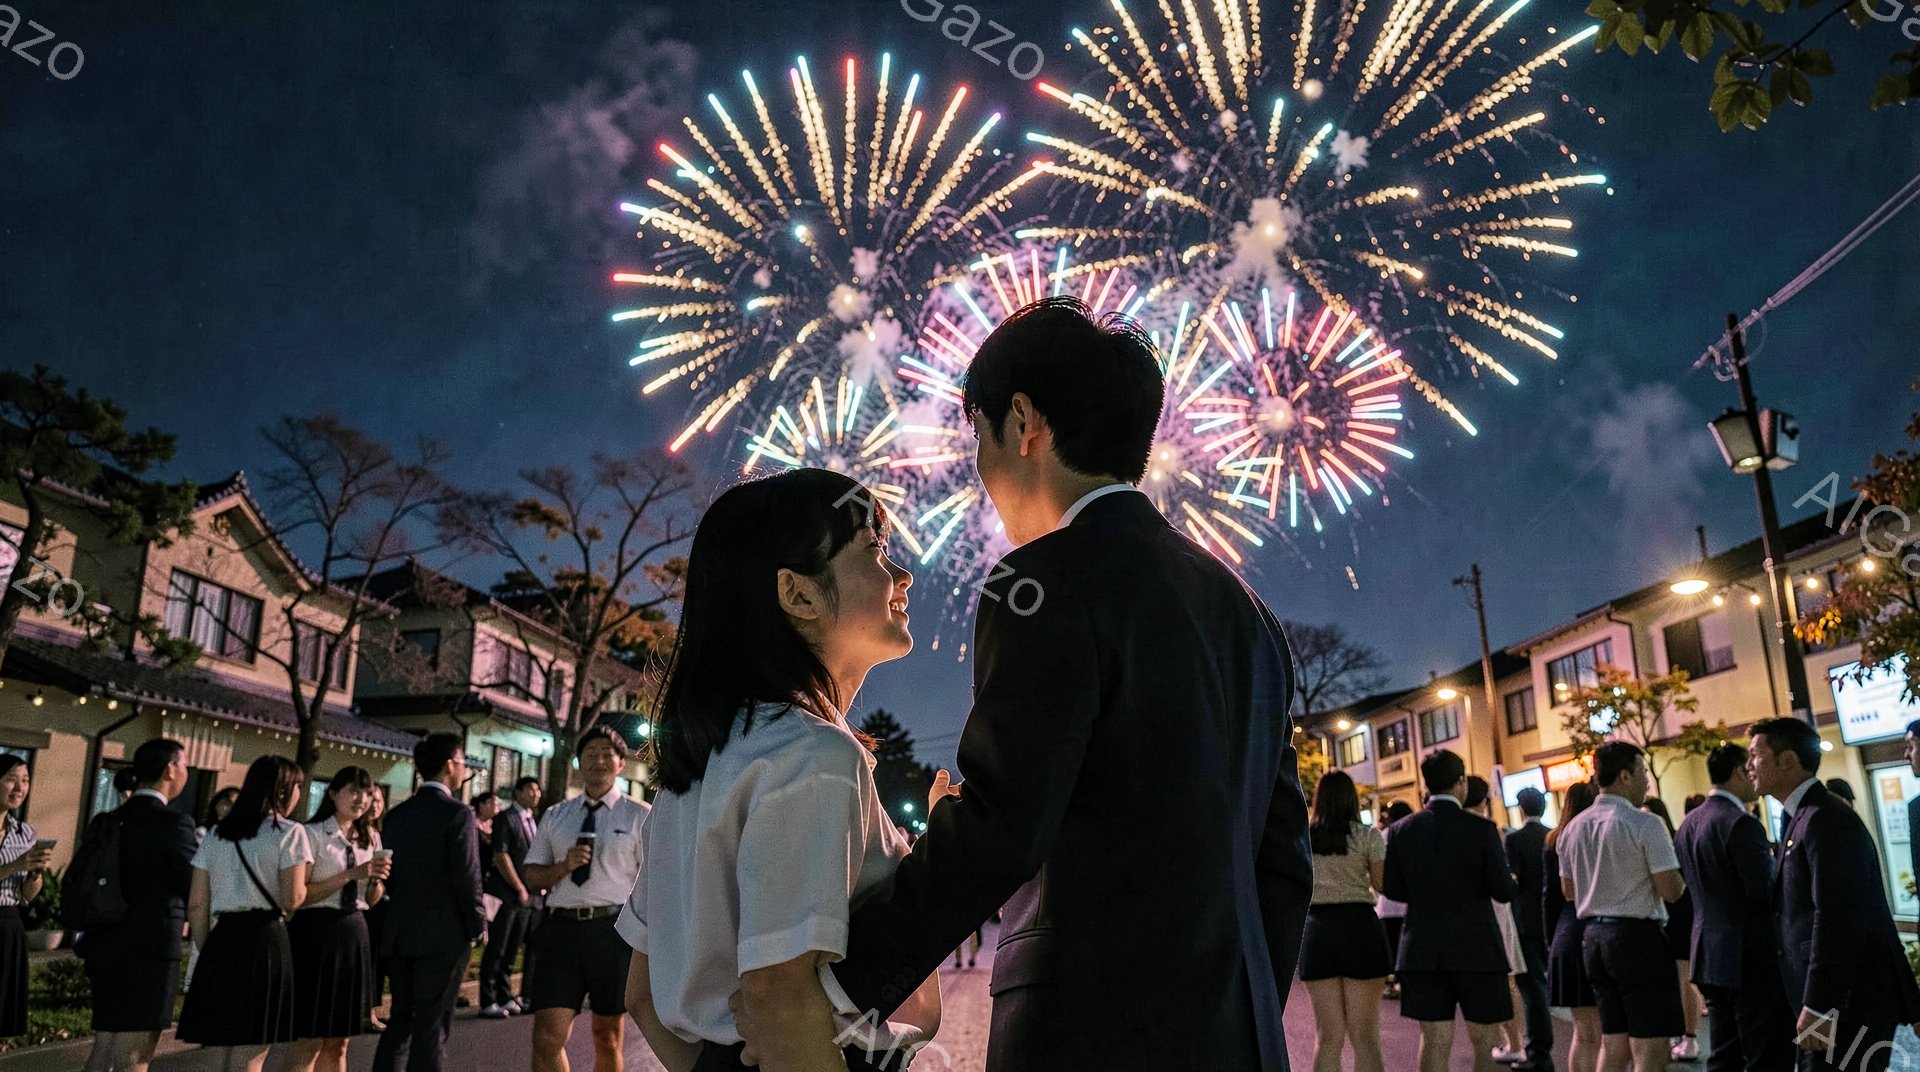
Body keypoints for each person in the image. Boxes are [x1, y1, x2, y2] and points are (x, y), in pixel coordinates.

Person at [803, 296, 1310, 1069]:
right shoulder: (1253, 616)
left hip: (1089, 1026)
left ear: (1023, 422)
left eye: (978, 435)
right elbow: (1282, 863)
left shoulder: (1040, 581)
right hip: (1239, 1037)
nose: (979, 467)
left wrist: (842, 986)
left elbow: (1004, 825)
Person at [621, 469, 938, 1071]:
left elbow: (642, 993)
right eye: (874, 552)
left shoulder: (702, 766)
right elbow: (779, 993)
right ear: (798, 594)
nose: (903, 576)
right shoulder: (814, 757)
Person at [1748, 717, 1920, 1072]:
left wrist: (1819, 1004)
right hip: (1834, 1001)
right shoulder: (1801, 816)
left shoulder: (1826, 819)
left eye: (1756, 754)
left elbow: (1838, 917)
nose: (1749, 765)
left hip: (1851, 1000)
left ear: (1788, 761)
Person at [523, 725, 648, 1072]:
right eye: (590, 753)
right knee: (547, 1037)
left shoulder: (639, 815)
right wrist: (563, 866)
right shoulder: (556, 815)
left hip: (613, 932)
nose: (598, 760)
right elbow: (532, 876)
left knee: (607, 1035)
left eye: (607, 753)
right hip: (560, 931)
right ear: (579, 762)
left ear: (621, 763)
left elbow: (652, 881)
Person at [1382, 749, 1515, 1072]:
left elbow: (1394, 890)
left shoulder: (1402, 830)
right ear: (1460, 783)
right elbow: (1502, 891)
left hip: (1422, 947)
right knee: (1484, 1039)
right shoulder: (1481, 830)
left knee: (1435, 1040)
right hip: (1478, 947)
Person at [1555, 742, 1684, 1072]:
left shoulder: (1572, 828)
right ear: (1625, 776)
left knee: (1614, 1042)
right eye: (1643, 773)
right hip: (1638, 938)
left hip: (1593, 938)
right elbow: (1671, 891)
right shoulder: (1645, 824)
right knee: (1651, 1047)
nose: (1647, 782)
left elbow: (1568, 892)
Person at [179, 756, 313, 1072]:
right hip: (265, 938)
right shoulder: (290, 832)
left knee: (217, 1045)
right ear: (283, 790)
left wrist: (207, 945)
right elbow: (293, 898)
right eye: (297, 787)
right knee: (251, 1051)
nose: (299, 794)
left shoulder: (217, 833)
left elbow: (197, 903)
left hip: (222, 939)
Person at [79, 739, 197, 1072]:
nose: (186, 771)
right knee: (134, 1054)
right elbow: (193, 887)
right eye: (184, 764)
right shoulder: (174, 824)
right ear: (171, 768)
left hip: (104, 941)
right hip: (151, 949)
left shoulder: (109, 819)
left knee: (103, 1047)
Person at [1673, 743, 1792, 1072]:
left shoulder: (1689, 824)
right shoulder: (1741, 822)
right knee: (1763, 1051)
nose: (1754, 773)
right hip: (1750, 956)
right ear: (1739, 772)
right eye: (1750, 767)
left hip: (1708, 952)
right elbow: (1763, 890)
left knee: (1724, 1052)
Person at [370, 733, 483, 1072]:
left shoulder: (396, 815)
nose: (464, 767)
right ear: (451, 764)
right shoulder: (458, 814)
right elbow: (467, 876)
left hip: (401, 930)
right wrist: (477, 925)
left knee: (401, 1019)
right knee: (432, 1024)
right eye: (462, 760)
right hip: (444, 934)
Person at [283, 767, 392, 1072]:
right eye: (354, 792)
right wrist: (353, 874)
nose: (362, 800)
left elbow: (371, 899)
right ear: (333, 794)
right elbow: (300, 894)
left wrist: (375, 881)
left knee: (339, 1041)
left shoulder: (370, 836)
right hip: (317, 933)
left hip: (354, 932)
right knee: (309, 1038)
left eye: (367, 793)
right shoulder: (311, 833)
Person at [1299, 770, 1391, 1072]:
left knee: (1327, 1037)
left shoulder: (1303, 838)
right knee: (1365, 1036)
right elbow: (1381, 884)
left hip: (1316, 931)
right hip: (1360, 927)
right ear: (1352, 799)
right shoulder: (1367, 836)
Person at [1463, 776, 1529, 1066]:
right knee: (1508, 979)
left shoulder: (1458, 828)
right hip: (1496, 911)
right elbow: (1503, 879)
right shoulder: (1491, 830)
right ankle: (1515, 1041)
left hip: (1471, 916)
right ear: (1483, 801)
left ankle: (1508, 1041)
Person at [1639, 796, 1702, 1062]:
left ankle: (1689, 1037)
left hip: (1678, 914)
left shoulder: (1675, 843)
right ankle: (1675, 1034)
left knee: (1684, 977)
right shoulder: (1650, 842)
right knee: (1668, 980)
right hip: (1658, 917)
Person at [1545, 782, 1601, 1072]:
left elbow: (1550, 897)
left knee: (1583, 1033)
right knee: (1605, 1034)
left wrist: (1550, 941)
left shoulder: (1554, 840)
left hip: (1565, 934)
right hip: (1596, 929)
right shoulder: (1597, 835)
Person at [481, 777, 542, 1018]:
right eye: (530, 789)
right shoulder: (506, 818)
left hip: (526, 897)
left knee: (512, 949)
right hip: (505, 894)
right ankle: (487, 999)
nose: (536, 793)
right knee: (497, 946)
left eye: (538, 789)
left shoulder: (531, 820)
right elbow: (501, 855)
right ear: (518, 792)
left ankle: (504, 996)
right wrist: (518, 886)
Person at [0, 755, 53, 1038]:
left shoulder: (25, 833)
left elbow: (27, 897)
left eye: (26, 780)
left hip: (8, 925)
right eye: (11, 779)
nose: (19, 788)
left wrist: (34, 874)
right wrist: (16, 865)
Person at [1505, 786, 1554, 1072]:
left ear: (1521, 808)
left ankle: (1538, 1050)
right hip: (1551, 918)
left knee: (1532, 988)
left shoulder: (1515, 840)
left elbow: (1512, 882)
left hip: (1525, 920)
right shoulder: (1552, 835)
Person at [1376, 800, 1414, 1002]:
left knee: (1391, 947)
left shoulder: (1385, 836)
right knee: (1407, 947)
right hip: (1411, 903)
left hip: (1388, 904)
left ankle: (1392, 983)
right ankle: (1407, 983)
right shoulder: (1415, 834)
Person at [362, 784, 391, 1032]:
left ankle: (370, 1012)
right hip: (355, 906)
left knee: (374, 961)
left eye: (380, 800)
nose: (375, 804)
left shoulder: (376, 833)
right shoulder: (354, 833)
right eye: (371, 799)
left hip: (375, 903)